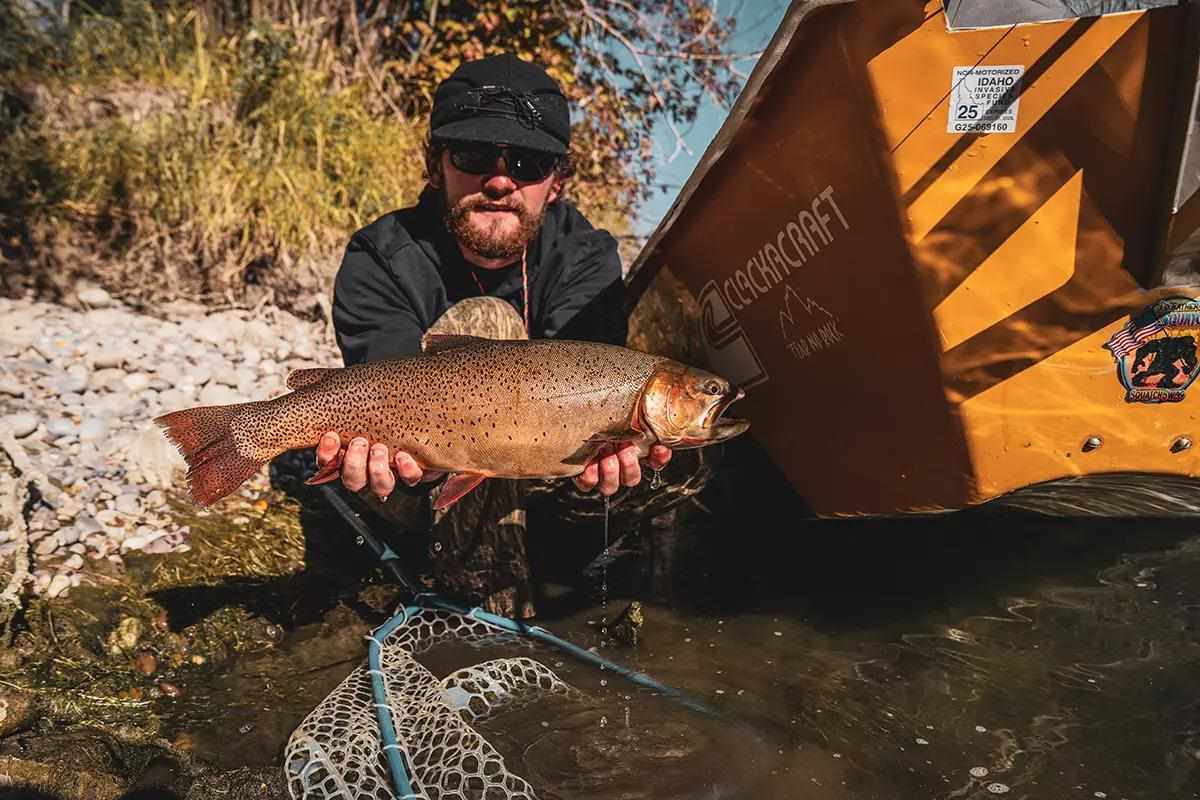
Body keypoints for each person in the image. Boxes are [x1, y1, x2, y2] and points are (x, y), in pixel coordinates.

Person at [315, 53, 671, 617]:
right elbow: (376, 397)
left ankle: (635, 606)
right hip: (417, 479)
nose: (501, 180)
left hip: (552, 472)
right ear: (436, 165)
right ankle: (488, 613)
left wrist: (613, 459)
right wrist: (377, 452)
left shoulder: (587, 256)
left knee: (676, 455)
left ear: (556, 182)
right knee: (487, 321)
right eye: (474, 155)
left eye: (528, 162)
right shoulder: (380, 256)